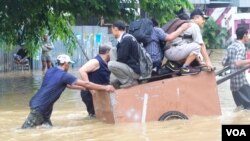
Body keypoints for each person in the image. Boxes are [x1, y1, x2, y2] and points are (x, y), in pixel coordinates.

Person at [21, 54, 115, 129]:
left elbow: (69, 85)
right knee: (24, 131)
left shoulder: (50, 71)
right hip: (40, 108)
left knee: (47, 129)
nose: (69, 66)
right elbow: (87, 84)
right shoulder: (65, 76)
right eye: (69, 64)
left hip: (43, 107)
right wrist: (105, 88)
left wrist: (84, 89)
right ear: (65, 64)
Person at [164, 8, 213, 75]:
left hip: (170, 51)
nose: (204, 21)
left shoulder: (189, 24)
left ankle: (175, 63)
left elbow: (191, 48)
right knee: (197, 46)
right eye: (203, 19)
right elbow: (201, 45)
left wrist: (200, 62)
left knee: (196, 50)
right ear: (196, 18)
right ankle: (185, 67)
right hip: (172, 51)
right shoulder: (194, 26)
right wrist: (208, 62)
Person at [79, 44, 111, 117]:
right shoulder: (96, 61)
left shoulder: (107, 62)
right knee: (94, 116)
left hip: (98, 92)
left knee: (101, 117)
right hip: (90, 94)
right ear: (108, 52)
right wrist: (90, 89)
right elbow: (82, 70)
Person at [222, 26, 250, 110]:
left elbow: (224, 63)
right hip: (241, 83)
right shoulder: (241, 47)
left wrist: (232, 62)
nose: (248, 37)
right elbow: (238, 62)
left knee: (241, 109)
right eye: (248, 35)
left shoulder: (230, 46)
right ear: (244, 35)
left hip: (233, 85)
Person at [108, 20, 140, 88]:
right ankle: (122, 79)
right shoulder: (126, 38)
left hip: (134, 71)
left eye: (112, 30)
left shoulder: (126, 40)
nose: (112, 33)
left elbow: (122, 58)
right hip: (131, 68)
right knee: (113, 50)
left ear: (116, 29)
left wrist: (115, 63)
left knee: (111, 64)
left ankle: (129, 81)